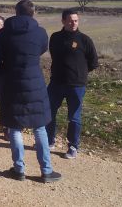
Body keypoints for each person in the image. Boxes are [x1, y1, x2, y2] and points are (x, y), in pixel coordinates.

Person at [0, 0, 61, 183]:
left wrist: (5, 72)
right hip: (35, 82)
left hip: (12, 83)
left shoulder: (4, 33)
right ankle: (46, 171)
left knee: (14, 127)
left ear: (16, 11)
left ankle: (19, 169)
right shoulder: (40, 32)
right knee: (40, 127)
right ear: (33, 13)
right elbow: (42, 48)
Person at [46, 9, 98, 159]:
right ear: (63, 21)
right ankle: (50, 141)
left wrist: (79, 73)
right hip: (56, 83)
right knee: (49, 112)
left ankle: (73, 146)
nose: (73, 23)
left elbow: (93, 63)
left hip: (76, 85)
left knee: (74, 117)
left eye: (76, 20)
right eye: (70, 20)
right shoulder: (55, 37)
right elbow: (54, 55)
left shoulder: (85, 40)